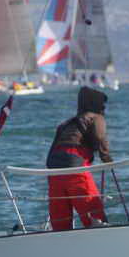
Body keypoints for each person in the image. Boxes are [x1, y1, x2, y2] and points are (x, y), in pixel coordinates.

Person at [46, 86, 112, 230]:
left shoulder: (66, 124)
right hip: (75, 166)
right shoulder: (96, 117)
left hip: (53, 170)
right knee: (94, 216)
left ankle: (59, 238)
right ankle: (100, 233)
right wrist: (107, 160)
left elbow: (54, 147)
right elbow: (100, 137)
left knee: (60, 220)